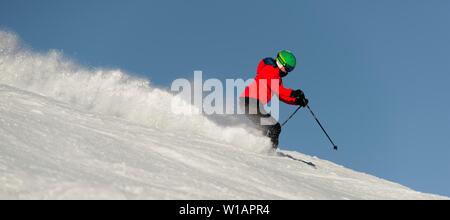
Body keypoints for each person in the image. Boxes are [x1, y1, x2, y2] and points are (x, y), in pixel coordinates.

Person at [239, 50, 308, 149]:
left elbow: (281, 96)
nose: (287, 72)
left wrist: (297, 101)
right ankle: (269, 153)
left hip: (253, 104)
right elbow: (278, 90)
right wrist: (294, 93)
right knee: (275, 128)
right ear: (281, 63)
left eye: (290, 70)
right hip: (250, 102)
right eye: (287, 68)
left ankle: (254, 147)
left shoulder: (277, 77)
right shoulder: (270, 69)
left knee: (264, 129)